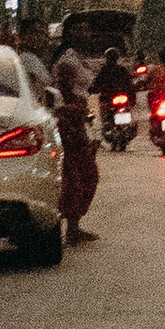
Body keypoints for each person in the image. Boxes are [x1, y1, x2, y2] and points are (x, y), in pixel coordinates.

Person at [52, 34, 102, 243]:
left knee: (85, 176)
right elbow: (58, 101)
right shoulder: (66, 63)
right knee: (76, 178)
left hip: (78, 122)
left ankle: (73, 225)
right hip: (69, 126)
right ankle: (69, 226)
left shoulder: (79, 60)